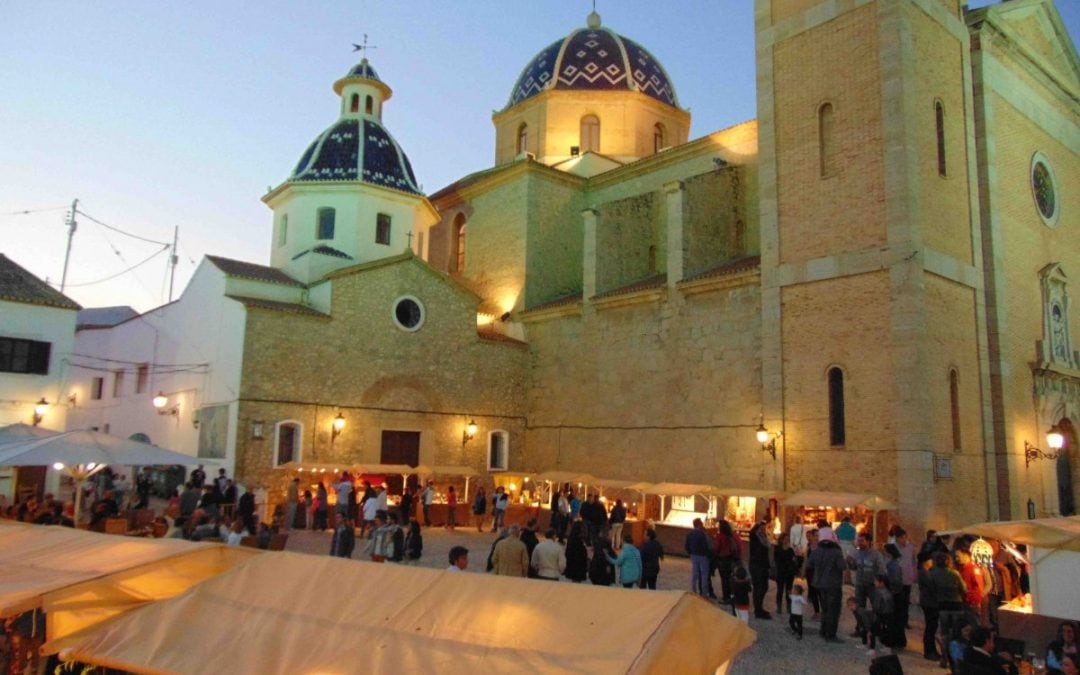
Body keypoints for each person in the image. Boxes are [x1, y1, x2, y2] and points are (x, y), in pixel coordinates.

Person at [805, 526, 846, 642]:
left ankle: (823, 630)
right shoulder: (836, 551)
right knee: (833, 609)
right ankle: (830, 634)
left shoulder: (816, 551)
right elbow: (842, 566)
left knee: (825, 608)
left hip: (819, 584)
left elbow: (809, 565)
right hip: (833, 584)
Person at [848, 532, 886, 610]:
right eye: (858, 541)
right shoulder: (856, 553)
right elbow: (854, 567)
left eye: (862, 541)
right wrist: (850, 562)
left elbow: (882, 569)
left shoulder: (876, 554)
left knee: (876, 607)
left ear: (868, 541)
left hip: (872, 585)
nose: (859, 543)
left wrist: (879, 580)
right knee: (859, 608)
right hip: (860, 585)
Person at [918, 552, 942, 661]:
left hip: (929, 602)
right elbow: (932, 587)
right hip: (929, 603)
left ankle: (931, 650)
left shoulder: (927, 572)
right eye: (930, 560)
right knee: (930, 627)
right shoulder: (924, 573)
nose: (932, 562)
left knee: (931, 627)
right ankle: (929, 651)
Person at [748, 518, 773, 619]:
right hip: (756, 565)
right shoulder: (755, 537)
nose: (763, 529)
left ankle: (759, 607)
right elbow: (752, 532)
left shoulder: (764, 538)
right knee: (758, 587)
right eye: (761, 528)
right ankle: (758, 610)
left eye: (764, 528)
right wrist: (758, 524)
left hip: (763, 565)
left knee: (764, 587)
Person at [714, 519, 741, 605]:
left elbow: (717, 548)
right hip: (732, 559)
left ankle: (726, 597)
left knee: (724, 580)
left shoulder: (720, 536)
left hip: (723, 560)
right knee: (732, 578)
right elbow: (739, 547)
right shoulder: (734, 535)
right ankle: (733, 596)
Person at [685, 517, 712, 597]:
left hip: (694, 555)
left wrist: (690, 552)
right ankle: (704, 593)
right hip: (702, 556)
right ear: (699, 524)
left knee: (695, 573)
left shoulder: (690, 533)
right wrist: (707, 554)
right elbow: (705, 545)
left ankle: (693, 590)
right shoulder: (702, 534)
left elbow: (686, 545)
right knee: (704, 574)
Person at [774, 533, 798, 614]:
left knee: (788, 590)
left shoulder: (791, 550)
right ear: (782, 540)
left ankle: (789, 606)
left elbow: (794, 560)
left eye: (788, 539)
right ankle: (779, 606)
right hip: (781, 572)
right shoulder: (777, 548)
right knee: (780, 590)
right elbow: (776, 560)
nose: (787, 540)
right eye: (785, 538)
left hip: (789, 573)